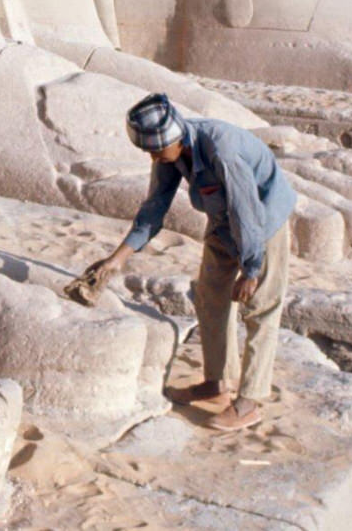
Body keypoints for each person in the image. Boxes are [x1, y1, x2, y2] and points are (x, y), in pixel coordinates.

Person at [75, 94, 296, 431]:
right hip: (223, 217)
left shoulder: (221, 151)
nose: (152, 156)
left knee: (260, 307)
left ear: (174, 140)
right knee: (210, 296)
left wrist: (251, 269)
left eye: (155, 150)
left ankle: (250, 401)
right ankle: (216, 381)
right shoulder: (170, 153)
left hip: (263, 220)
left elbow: (247, 213)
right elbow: (154, 208)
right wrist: (116, 259)